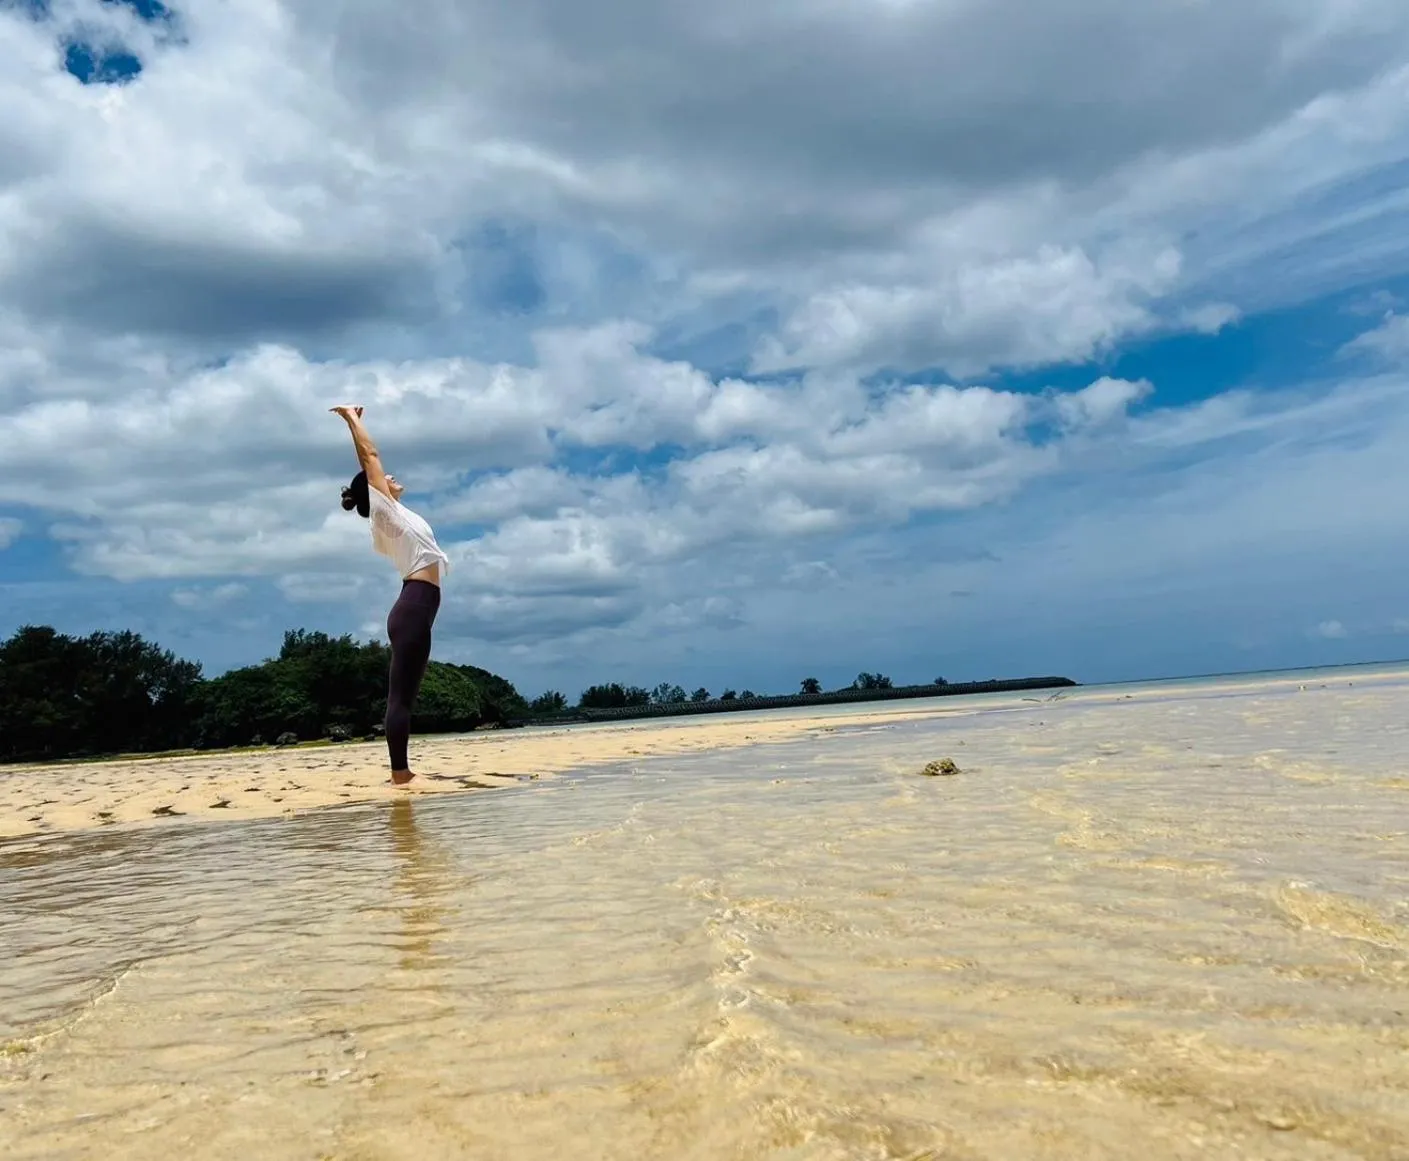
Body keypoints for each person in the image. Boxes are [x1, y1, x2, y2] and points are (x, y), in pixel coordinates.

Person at [331, 405, 451, 785]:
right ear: (374, 488)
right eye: (384, 477)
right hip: (414, 606)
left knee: (406, 695)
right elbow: (370, 457)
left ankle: (402, 771)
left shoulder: (398, 515)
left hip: (418, 608)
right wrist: (353, 419)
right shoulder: (385, 514)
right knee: (400, 697)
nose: (392, 477)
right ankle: (400, 774)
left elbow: (371, 465)